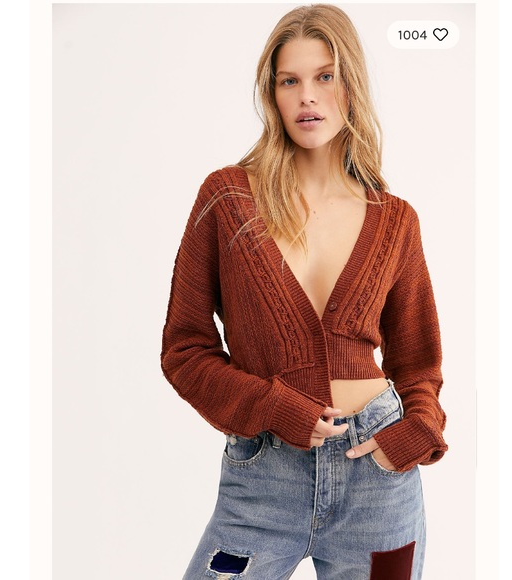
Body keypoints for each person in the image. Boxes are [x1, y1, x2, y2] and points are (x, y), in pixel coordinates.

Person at [161, 4, 447, 579]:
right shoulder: (228, 200)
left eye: (325, 76)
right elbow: (184, 350)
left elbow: (418, 361)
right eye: (289, 81)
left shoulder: (395, 220)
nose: (307, 97)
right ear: (272, 94)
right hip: (263, 476)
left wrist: (419, 428)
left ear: (351, 86)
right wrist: (273, 407)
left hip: (380, 485)